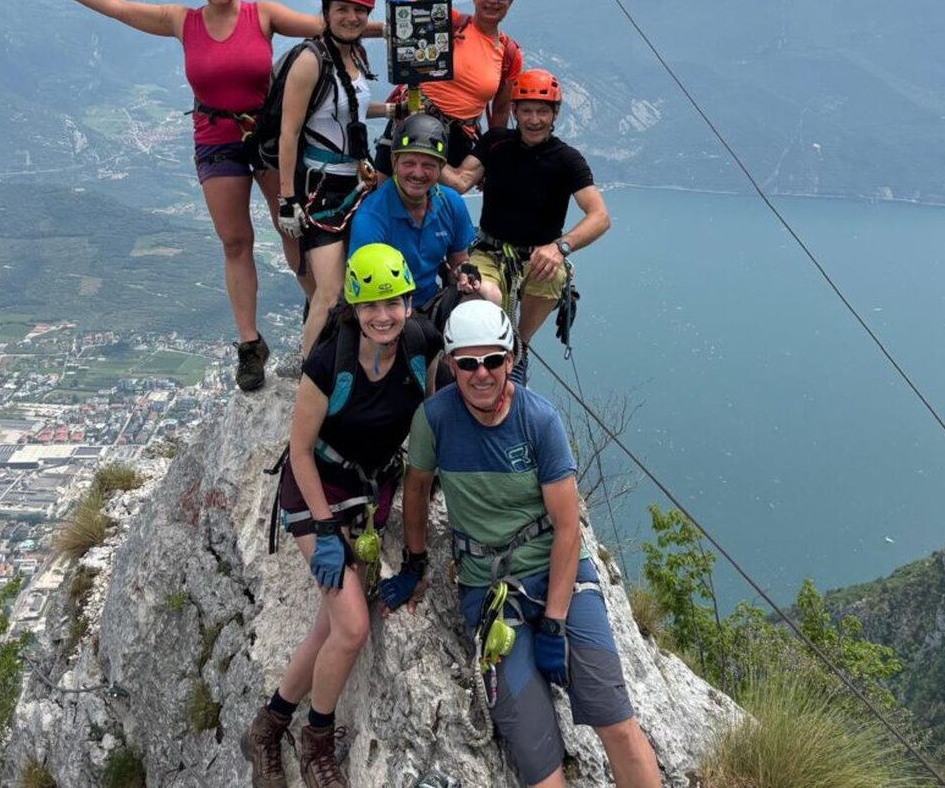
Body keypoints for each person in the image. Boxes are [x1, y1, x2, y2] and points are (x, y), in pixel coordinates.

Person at [21, 0, 331, 392]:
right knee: (235, 241)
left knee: (292, 229)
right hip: (215, 138)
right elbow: (121, 9)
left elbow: (331, 26)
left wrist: (394, 26)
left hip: (264, 136)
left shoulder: (262, 15)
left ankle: (320, 316)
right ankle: (249, 345)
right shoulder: (181, 21)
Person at [382, 300, 661, 788]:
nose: (481, 373)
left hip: (562, 580)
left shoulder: (539, 421)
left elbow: (567, 527)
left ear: (510, 359)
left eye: (492, 360)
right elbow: (417, 487)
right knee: (538, 761)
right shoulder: (434, 420)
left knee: (615, 721)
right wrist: (414, 562)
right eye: (467, 363)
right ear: (451, 365)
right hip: (490, 591)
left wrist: (554, 622)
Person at [245, 243, 442, 788]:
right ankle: (316, 745)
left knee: (331, 625)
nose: (383, 316)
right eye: (370, 305)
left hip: (369, 490)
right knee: (352, 625)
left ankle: (268, 725)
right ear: (353, 306)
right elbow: (300, 450)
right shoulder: (330, 360)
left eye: (393, 302)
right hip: (316, 490)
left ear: (408, 301)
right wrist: (326, 529)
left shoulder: (421, 345)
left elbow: (426, 417)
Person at [443, 68, 609, 366]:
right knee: (481, 293)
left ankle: (519, 347)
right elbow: (460, 180)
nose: (534, 120)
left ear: (554, 114)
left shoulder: (567, 159)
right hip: (490, 251)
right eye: (527, 111)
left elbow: (599, 216)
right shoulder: (495, 143)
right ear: (515, 112)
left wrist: (561, 247)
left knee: (553, 275)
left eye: (542, 111)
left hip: (539, 257)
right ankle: (500, 347)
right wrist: (420, 152)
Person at [274, 0, 396, 355]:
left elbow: (350, 112)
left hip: (355, 184)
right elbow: (289, 131)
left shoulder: (354, 54)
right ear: (326, 10)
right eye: (343, 8)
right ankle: (310, 379)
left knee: (356, 285)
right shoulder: (312, 60)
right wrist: (287, 199)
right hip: (321, 191)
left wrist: (391, 111)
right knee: (328, 293)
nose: (352, 18)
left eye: (360, 11)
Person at [376, 0, 523, 175]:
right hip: (414, 117)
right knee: (388, 196)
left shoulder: (509, 54)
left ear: (511, 1)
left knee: (438, 204)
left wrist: (492, 152)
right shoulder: (452, 24)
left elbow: (500, 110)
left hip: (457, 138)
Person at [349, 113, 500, 319]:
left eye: (428, 165)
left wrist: (464, 273)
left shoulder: (451, 202)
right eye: (409, 163)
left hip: (431, 303)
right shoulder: (372, 218)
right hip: (388, 307)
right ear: (394, 162)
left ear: (441, 168)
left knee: (489, 294)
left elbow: (458, 261)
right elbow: (370, 295)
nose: (418, 174)